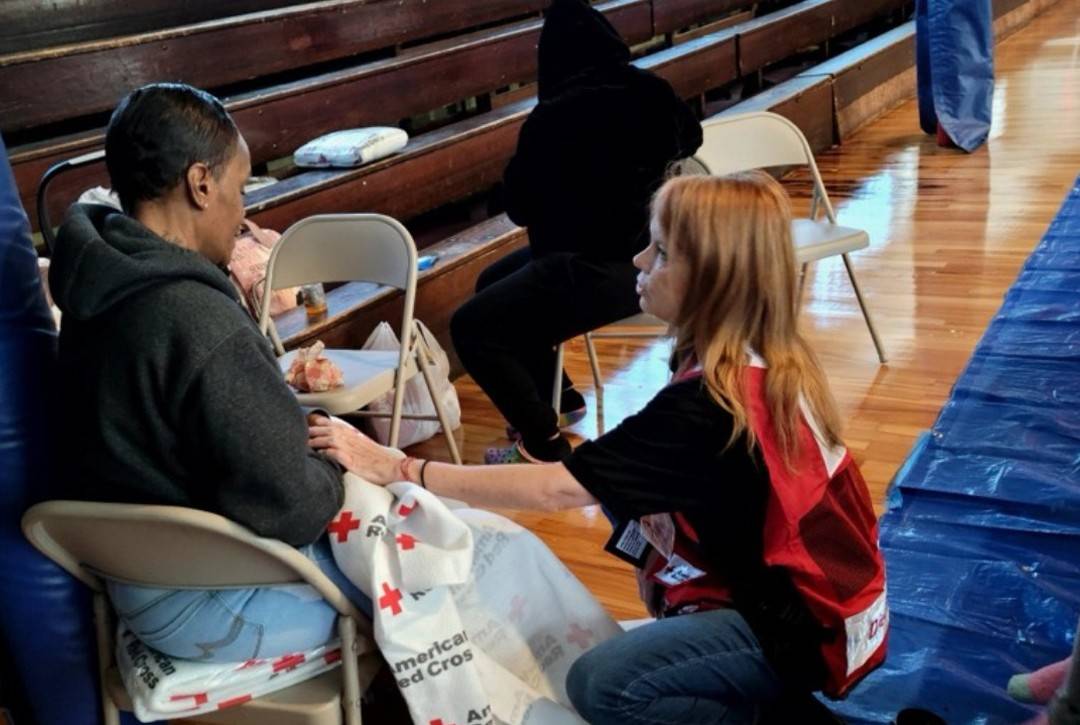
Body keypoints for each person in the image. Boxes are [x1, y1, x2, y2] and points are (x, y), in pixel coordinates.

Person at [310, 172, 889, 723]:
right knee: (619, 489)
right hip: (818, 604)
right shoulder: (758, 355)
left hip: (801, 629)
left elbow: (558, 485)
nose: (639, 261)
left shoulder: (710, 401)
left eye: (660, 252)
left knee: (603, 686)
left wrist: (401, 466)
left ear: (712, 276)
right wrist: (650, 557)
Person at [49, 83, 366, 662]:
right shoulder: (193, 319)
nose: (243, 212)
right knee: (425, 576)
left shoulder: (94, 284)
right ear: (200, 184)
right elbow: (290, 508)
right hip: (216, 605)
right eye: (240, 189)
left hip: (132, 588)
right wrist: (335, 469)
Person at [450, 0, 702, 465]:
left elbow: (519, 209)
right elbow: (693, 138)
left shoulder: (551, 118)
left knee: (470, 327)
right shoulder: (652, 89)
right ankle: (561, 400)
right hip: (650, 258)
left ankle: (542, 443)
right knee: (491, 283)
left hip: (589, 269)